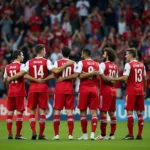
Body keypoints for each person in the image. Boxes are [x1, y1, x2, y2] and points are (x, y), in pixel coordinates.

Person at [7, 44, 74, 140]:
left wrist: (12, 78)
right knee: (42, 111)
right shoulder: (46, 61)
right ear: (42, 51)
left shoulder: (29, 62)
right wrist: (67, 64)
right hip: (43, 88)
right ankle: (41, 134)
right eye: (45, 50)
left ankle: (34, 131)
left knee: (32, 111)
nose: (46, 52)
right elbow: (55, 71)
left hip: (33, 88)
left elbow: (23, 74)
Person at [109, 48, 147, 140]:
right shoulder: (142, 65)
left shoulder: (128, 65)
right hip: (140, 91)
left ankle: (130, 135)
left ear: (131, 55)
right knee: (139, 113)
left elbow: (125, 78)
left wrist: (113, 79)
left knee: (129, 112)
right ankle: (139, 135)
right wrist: (144, 90)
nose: (125, 56)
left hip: (131, 91)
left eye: (126, 54)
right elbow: (145, 79)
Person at [3, 50, 40, 140]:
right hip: (19, 92)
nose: (23, 57)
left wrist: (10, 86)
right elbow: (25, 76)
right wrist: (35, 79)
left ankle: (10, 134)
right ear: (18, 56)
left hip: (11, 92)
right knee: (19, 113)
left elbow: (5, 80)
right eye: (22, 55)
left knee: (10, 112)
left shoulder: (7, 67)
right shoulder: (22, 66)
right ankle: (18, 134)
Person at [46, 47, 76, 140]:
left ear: (61, 53)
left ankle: (56, 135)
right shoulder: (73, 63)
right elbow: (76, 75)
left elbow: (55, 72)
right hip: (69, 89)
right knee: (69, 112)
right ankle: (70, 135)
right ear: (70, 53)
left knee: (57, 111)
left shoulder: (57, 63)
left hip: (59, 89)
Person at [95, 47, 118, 140]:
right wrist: (111, 81)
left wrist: (107, 79)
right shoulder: (115, 66)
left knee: (103, 113)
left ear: (107, 55)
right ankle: (112, 135)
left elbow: (103, 78)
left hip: (105, 91)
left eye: (104, 53)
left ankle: (103, 135)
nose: (103, 54)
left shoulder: (103, 65)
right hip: (113, 90)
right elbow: (115, 80)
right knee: (112, 113)